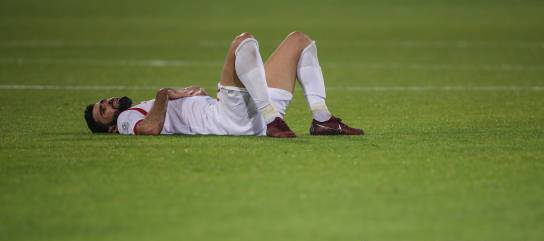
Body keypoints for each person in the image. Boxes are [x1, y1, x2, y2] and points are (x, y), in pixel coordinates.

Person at [83, 32, 364, 138]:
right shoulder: (127, 121)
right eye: (103, 110)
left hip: (241, 115)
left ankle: (322, 119)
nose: (108, 103)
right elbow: (149, 129)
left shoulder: (146, 108)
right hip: (232, 120)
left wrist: (196, 97)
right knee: (243, 42)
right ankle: (272, 119)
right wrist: (164, 94)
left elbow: (170, 118)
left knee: (300, 41)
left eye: (103, 101)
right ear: (110, 126)